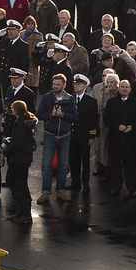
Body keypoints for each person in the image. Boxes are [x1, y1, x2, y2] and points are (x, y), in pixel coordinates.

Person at [36, 73, 77, 203]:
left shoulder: (70, 99)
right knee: (47, 166)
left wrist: (62, 114)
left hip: (65, 135)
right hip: (50, 134)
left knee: (63, 166)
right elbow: (39, 114)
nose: (55, 87)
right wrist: (51, 115)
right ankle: (45, 192)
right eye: (54, 84)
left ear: (64, 85)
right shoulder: (47, 98)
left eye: (58, 85)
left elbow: (75, 117)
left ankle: (61, 191)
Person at [0, 99, 37, 223]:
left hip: (20, 159)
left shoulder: (21, 124)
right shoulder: (22, 122)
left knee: (20, 184)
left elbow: (18, 143)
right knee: (14, 181)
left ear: (16, 110)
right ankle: (21, 211)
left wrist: (5, 151)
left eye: (12, 108)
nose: (10, 110)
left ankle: (25, 213)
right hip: (21, 158)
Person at [69, 74, 98, 193]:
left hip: (84, 135)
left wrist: (92, 136)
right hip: (72, 135)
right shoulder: (70, 99)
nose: (76, 86)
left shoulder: (91, 101)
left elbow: (94, 120)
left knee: (85, 161)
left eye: (79, 84)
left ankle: (85, 183)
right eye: (75, 83)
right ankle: (75, 182)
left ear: (85, 86)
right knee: (73, 160)